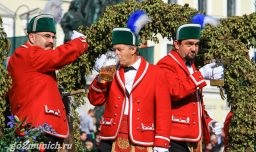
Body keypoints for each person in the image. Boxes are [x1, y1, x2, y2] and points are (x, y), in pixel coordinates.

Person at [7, 14, 88, 151]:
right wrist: (81, 42)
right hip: (36, 129)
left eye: (53, 37)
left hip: (42, 129)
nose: (51, 41)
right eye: (46, 36)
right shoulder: (25, 53)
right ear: (32, 37)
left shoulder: (36, 58)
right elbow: (57, 57)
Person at [87, 27, 171, 151]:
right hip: (111, 136)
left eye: (119, 49)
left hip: (143, 137)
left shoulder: (156, 73)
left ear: (133, 49)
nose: (115, 53)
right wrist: (101, 76)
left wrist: (161, 142)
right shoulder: (110, 70)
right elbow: (95, 100)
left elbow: (163, 111)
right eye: (114, 49)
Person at [157, 23, 224, 152]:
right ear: (177, 44)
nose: (194, 49)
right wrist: (200, 75)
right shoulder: (166, 63)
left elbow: (195, 104)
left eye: (197, 44)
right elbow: (174, 91)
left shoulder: (191, 65)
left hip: (192, 139)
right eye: (189, 44)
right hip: (174, 137)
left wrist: (209, 122)